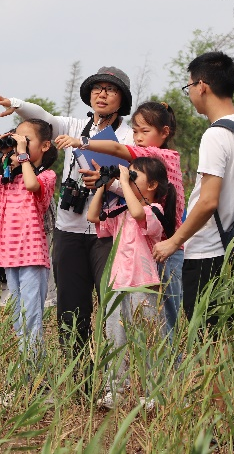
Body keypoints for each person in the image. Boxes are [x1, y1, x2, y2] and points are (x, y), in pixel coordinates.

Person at [0, 66, 134, 371]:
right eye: (97, 88)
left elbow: (137, 176)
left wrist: (106, 181)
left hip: (109, 232)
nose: (102, 94)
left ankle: (115, 383)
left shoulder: (128, 133)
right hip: (69, 230)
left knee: (112, 308)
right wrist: (16, 104)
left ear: (122, 99)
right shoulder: (74, 125)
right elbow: (45, 118)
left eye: (111, 89)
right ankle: (78, 380)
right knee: (70, 309)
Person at [55, 101, 185, 339]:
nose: (138, 137)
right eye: (135, 131)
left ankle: (170, 371)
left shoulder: (163, 155)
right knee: (147, 324)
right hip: (148, 249)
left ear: (165, 132)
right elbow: (136, 191)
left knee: (164, 323)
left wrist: (82, 141)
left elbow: (117, 151)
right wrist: (107, 183)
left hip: (167, 248)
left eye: (145, 131)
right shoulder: (146, 168)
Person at [152, 52, 234, 328]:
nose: (190, 93)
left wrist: (174, 242)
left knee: (209, 342)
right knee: (231, 339)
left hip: (208, 252)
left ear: (202, 86)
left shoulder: (216, 135)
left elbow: (208, 201)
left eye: (189, 87)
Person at [87, 158, 177, 410]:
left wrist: (123, 181)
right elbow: (92, 216)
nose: (130, 178)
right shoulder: (121, 211)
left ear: (153, 185)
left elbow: (139, 213)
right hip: (117, 284)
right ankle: (115, 391)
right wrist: (104, 187)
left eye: (136, 176)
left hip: (143, 284)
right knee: (115, 338)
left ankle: (153, 392)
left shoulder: (155, 210)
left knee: (147, 338)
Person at [0, 119, 57, 373]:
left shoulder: (46, 176)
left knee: (31, 318)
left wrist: (23, 156)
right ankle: (28, 375)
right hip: (9, 258)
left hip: (32, 257)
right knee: (19, 319)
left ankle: (34, 378)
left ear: (45, 146)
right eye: (17, 138)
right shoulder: (7, 182)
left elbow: (32, 185)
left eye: (27, 140)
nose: (21, 144)